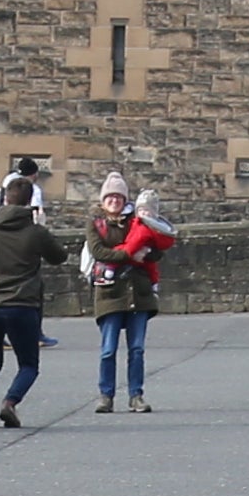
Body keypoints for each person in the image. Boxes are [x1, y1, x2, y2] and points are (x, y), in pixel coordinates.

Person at [0, 160, 59, 423]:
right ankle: (10, 402)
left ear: (5, 199)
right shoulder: (35, 232)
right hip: (21, 303)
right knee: (28, 364)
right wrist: (41, 226)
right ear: (30, 201)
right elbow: (58, 256)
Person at [86, 172, 169, 412]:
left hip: (138, 291)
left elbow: (156, 249)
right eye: (110, 196)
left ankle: (136, 395)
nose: (114, 201)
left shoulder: (139, 220)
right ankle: (106, 396)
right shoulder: (96, 223)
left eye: (119, 196)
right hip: (109, 293)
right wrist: (130, 254)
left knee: (137, 349)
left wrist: (146, 253)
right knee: (108, 349)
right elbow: (98, 252)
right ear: (103, 200)